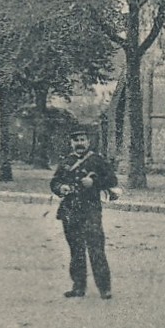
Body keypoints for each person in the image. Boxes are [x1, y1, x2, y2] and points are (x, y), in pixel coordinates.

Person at [49, 127, 119, 299]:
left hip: (90, 211)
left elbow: (112, 180)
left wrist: (93, 182)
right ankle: (78, 287)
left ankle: (105, 289)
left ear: (88, 142)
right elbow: (55, 181)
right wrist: (61, 187)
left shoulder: (97, 160)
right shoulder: (66, 161)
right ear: (71, 143)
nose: (79, 143)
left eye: (82, 140)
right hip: (70, 211)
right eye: (76, 140)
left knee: (96, 249)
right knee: (76, 250)